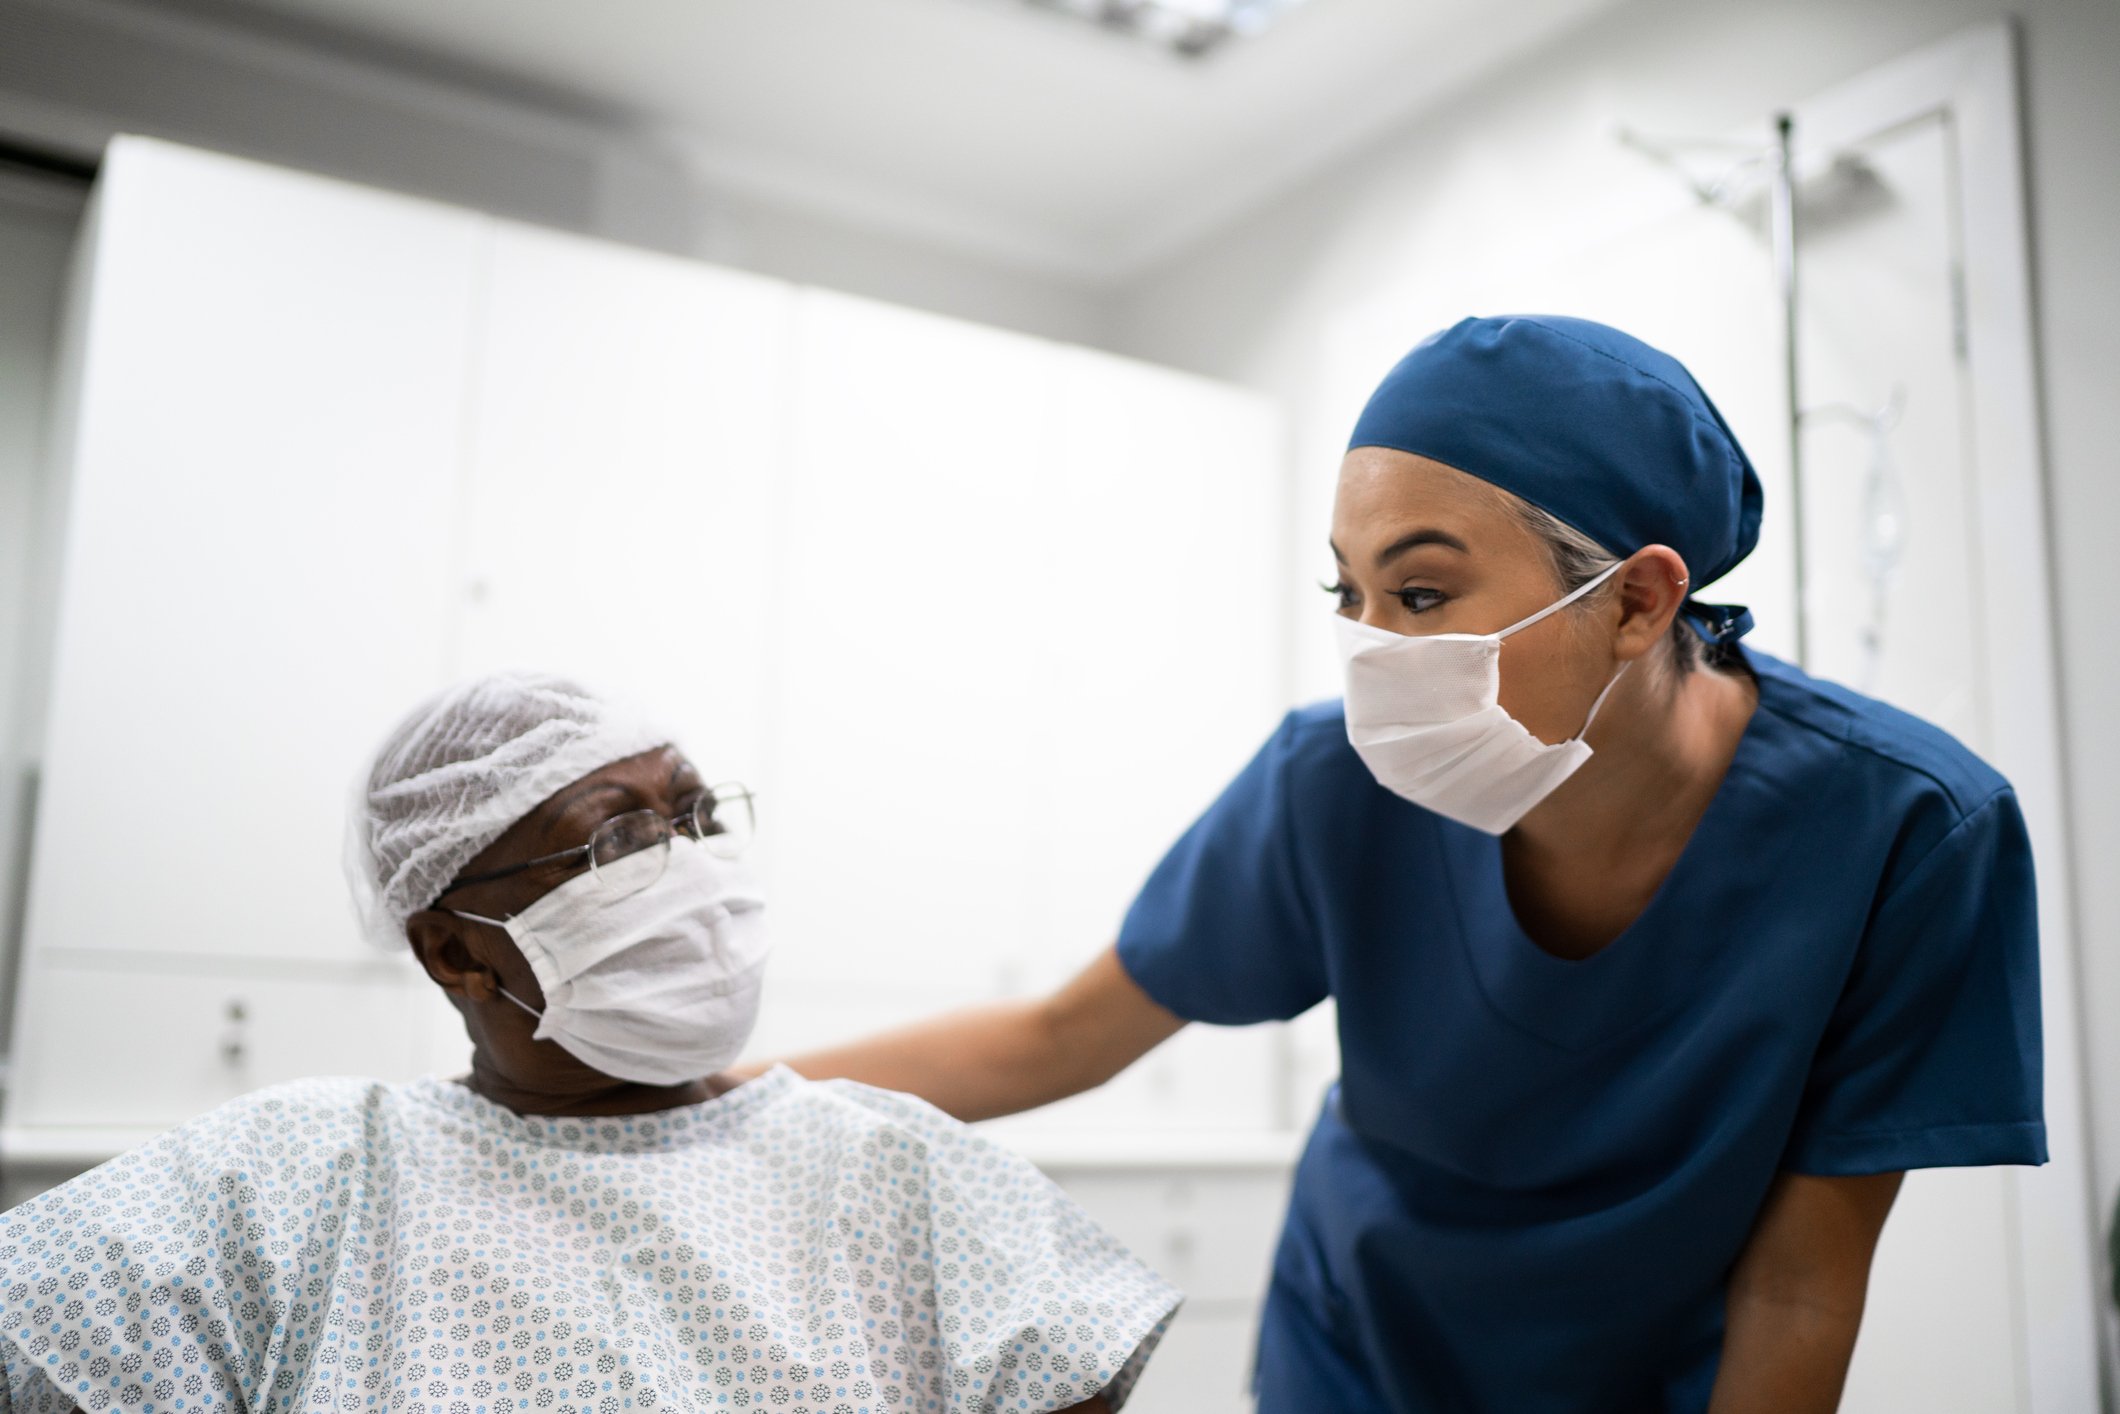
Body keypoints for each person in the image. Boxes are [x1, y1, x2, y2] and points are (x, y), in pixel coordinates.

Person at [755, 315, 2047, 1413]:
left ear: (1641, 601)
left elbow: (1802, 1277)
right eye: (1349, 596)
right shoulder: (1333, 782)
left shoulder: (1911, 831)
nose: (1373, 650)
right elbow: (1062, 1035)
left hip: (1649, 1373)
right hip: (1355, 1348)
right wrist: (715, 1101)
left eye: (1421, 596)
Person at [0, 672, 1179, 1414]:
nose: (693, 869)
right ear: (457, 953)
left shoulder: (899, 1170)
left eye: (697, 815)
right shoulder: (287, 1181)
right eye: (616, 843)